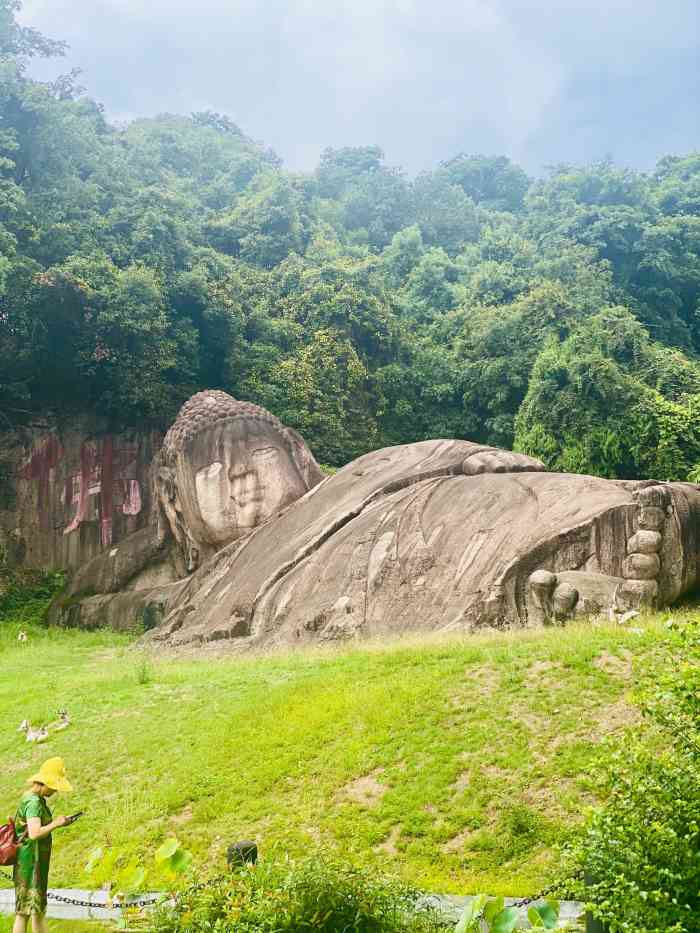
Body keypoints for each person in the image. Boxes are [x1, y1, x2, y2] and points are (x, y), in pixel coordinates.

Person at [13, 758, 72, 933]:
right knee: (24, 911)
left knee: (35, 910)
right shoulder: (33, 803)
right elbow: (34, 833)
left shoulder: (33, 799)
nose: (55, 791)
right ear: (45, 782)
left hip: (33, 861)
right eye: (54, 786)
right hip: (31, 862)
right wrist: (56, 823)